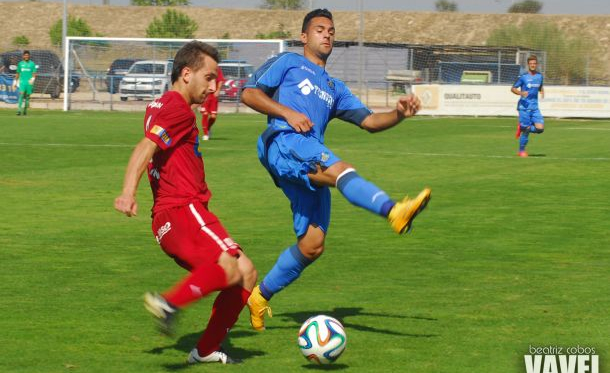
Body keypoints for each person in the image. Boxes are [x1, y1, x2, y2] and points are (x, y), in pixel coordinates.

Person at [240, 8, 431, 331]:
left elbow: (369, 121)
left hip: (307, 152)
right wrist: (287, 113)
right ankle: (392, 210)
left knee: (312, 245)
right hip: (284, 143)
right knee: (341, 170)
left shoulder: (334, 87)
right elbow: (249, 92)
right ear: (304, 37)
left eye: (330, 30)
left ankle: (260, 296)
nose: (327, 34)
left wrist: (398, 114)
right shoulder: (288, 63)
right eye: (319, 29)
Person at [114, 41, 257, 365]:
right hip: (183, 210)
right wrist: (127, 192)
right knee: (232, 268)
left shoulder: (160, 104)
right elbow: (145, 148)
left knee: (246, 272)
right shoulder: (177, 108)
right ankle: (169, 303)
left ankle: (205, 350)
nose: (213, 86)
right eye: (208, 78)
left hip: (171, 218)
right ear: (186, 73)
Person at [512, 55, 545, 157]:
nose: (532, 65)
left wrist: (542, 91)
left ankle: (522, 127)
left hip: (535, 107)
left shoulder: (539, 76)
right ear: (528, 65)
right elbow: (513, 88)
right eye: (531, 64)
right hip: (524, 107)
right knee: (526, 131)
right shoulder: (523, 77)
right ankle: (521, 151)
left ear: (536, 64)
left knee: (540, 129)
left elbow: (540, 86)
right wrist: (521, 93)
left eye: (534, 64)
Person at [198, 66, 225, 140]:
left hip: (213, 95)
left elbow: (220, 80)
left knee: (213, 116)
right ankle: (205, 134)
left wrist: (218, 90)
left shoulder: (217, 69)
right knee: (205, 114)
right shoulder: (202, 68)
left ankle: (208, 128)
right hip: (206, 94)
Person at [13, 50, 37, 116]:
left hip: (29, 83)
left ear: (29, 56)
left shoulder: (32, 64)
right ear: (23, 56)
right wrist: (15, 82)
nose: (26, 56)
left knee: (27, 97)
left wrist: (32, 79)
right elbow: (17, 73)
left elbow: (34, 73)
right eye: (25, 55)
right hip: (22, 82)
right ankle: (19, 110)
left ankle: (25, 110)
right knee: (21, 95)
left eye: (27, 55)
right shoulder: (20, 64)